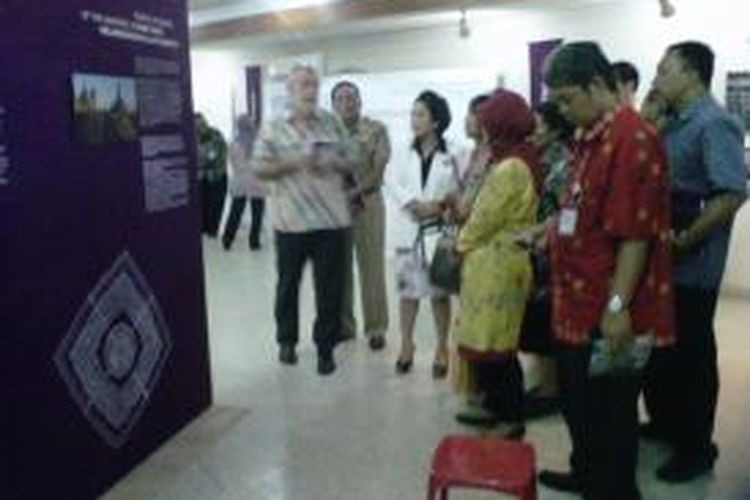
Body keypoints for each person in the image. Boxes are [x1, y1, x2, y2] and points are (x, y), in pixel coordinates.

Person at [538, 42, 674, 500]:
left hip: (607, 310)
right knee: (580, 408)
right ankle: (586, 475)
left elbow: (635, 235)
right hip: (575, 302)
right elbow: (581, 207)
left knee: (610, 419)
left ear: (597, 85)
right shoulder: (590, 135)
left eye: (566, 99)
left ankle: (611, 489)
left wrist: (617, 306)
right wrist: (552, 231)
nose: (561, 110)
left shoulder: (632, 137)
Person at [646, 41, 747, 483]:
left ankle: (697, 447)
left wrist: (685, 241)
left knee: (692, 357)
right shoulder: (670, 123)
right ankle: (667, 425)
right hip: (663, 260)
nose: (658, 78)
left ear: (692, 73)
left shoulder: (716, 123)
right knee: (664, 354)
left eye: (665, 70)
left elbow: (730, 194)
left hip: (692, 264)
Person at [252, 65, 357, 376]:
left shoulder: (332, 121)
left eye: (313, 84)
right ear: (290, 90)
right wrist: (291, 162)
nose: (310, 91)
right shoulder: (272, 127)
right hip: (291, 223)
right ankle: (286, 341)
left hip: (330, 222)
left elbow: (352, 159)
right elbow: (258, 168)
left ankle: (325, 348)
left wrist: (333, 161)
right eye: (303, 85)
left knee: (330, 289)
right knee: (287, 286)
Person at [451, 90, 539, 439]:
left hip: (497, 266)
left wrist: (459, 245)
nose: (482, 128)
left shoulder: (511, 167)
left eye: (487, 122)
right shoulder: (515, 158)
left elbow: (483, 217)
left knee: (497, 346)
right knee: (487, 341)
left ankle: (511, 416)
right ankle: (493, 406)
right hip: (495, 263)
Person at [386, 90, 458, 378]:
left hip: (438, 231)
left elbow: (459, 187)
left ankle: (442, 348)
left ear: (436, 120)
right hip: (409, 228)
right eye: (413, 114)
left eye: (421, 114)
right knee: (409, 293)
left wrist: (438, 205)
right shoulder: (403, 150)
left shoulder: (453, 152)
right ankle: (407, 345)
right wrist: (412, 204)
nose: (414, 120)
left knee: (439, 295)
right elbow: (390, 180)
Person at [518, 101, 575, 418]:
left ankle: (552, 389)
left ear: (554, 128)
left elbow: (562, 211)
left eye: (538, 124)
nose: (532, 130)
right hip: (534, 248)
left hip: (551, 251)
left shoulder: (563, 161)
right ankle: (543, 381)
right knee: (536, 320)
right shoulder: (537, 157)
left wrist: (539, 233)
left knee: (546, 318)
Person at [332, 81, 392, 350]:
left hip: (368, 204)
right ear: (334, 105)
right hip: (336, 210)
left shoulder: (376, 130)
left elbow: (379, 169)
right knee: (339, 269)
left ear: (360, 101)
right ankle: (344, 327)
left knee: (372, 268)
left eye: (352, 97)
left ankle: (376, 328)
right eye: (341, 98)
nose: (347, 102)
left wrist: (355, 191)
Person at [222, 114, 267, 251]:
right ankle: (254, 242)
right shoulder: (260, 142)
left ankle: (227, 239)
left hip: (240, 181)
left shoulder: (233, 143)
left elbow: (231, 161)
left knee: (235, 211)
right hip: (257, 181)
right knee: (257, 214)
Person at [195, 113, 228, 237]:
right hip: (201, 177)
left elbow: (220, 155)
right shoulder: (192, 136)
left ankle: (212, 230)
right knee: (202, 205)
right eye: (196, 124)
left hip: (217, 176)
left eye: (201, 123)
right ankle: (203, 229)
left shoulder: (216, 134)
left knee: (215, 205)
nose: (199, 126)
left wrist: (207, 161)